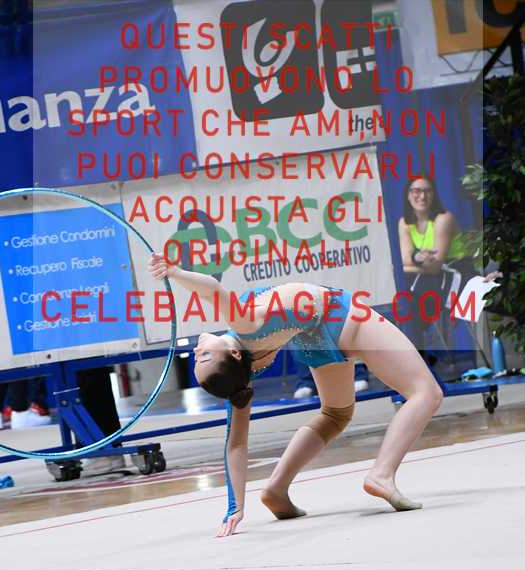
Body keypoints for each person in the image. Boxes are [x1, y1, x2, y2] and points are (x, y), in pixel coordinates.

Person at [150, 257, 443, 538]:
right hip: (339, 316)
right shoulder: (244, 324)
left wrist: (235, 506)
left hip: (310, 337)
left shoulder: (243, 374)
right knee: (426, 392)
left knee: (335, 415)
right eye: (204, 357)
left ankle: (276, 487)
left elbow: (236, 444)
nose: (196, 352)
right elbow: (213, 289)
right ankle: (382, 474)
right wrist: (175, 273)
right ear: (234, 354)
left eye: (198, 358)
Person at [398, 175, 474, 358]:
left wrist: (409, 265)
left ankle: (435, 356)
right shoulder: (404, 222)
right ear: (408, 195)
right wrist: (417, 259)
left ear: (434, 194)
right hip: (429, 278)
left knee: (415, 296)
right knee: (407, 301)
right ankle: (417, 357)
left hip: (459, 274)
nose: (422, 196)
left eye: (427, 191)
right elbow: (406, 260)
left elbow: (433, 267)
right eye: (416, 191)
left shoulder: (444, 219)